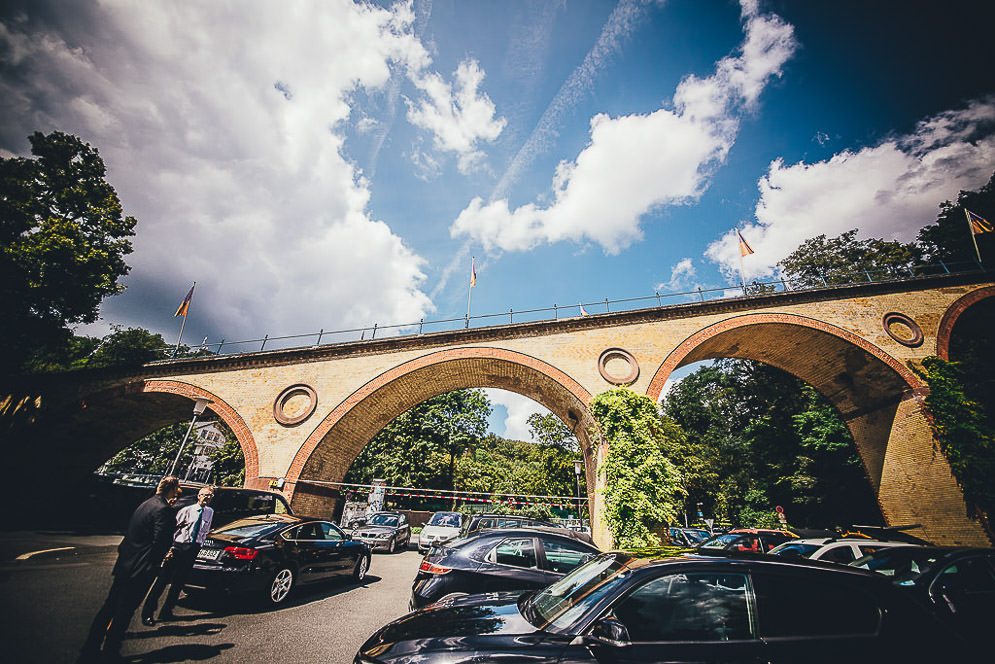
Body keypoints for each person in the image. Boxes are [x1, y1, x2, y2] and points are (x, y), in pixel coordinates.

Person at [78, 475, 181, 662]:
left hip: (125, 564)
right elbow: (161, 541)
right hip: (141, 568)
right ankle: (111, 651)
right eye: (177, 489)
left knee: (109, 608)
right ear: (172, 489)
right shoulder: (164, 510)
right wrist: (160, 559)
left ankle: (90, 647)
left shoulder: (146, 504)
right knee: (124, 612)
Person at [142, 485, 215, 625]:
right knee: (162, 581)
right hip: (178, 547)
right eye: (205, 495)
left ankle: (167, 611)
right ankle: (148, 612)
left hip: (193, 548)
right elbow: (173, 530)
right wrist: (169, 548)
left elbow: (205, 530)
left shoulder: (210, 512)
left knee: (179, 582)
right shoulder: (187, 511)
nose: (207, 498)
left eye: (210, 496)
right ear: (199, 496)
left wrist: (199, 544)